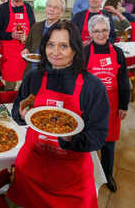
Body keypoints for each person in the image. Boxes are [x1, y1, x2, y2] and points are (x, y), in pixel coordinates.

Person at [7, 20, 110, 207]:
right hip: (32, 172)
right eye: (50, 45)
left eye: (64, 46)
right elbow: (16, 109)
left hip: (71, 182)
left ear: (76, 50)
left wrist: (71, 138)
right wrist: (20, 114)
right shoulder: (33, 77)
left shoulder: (93, 86)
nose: (55, 53)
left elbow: (99, 136)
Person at [84, 15, 130, 192]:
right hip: (90, 106)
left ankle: (107, 174)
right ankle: (86, 174)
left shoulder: (117, 52)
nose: (101, 34)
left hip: (112, 106)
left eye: (104, 30)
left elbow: (123, 80)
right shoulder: (85, 52)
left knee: (109, 143)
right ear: (91, 33)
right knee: (87, 142)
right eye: (96, 31)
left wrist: (124, 105)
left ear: (109, 31)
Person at [0, 0, 36, 90]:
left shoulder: (28, 8)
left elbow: (34, 28)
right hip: (9, 55)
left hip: (25, 52)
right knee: (10, 85)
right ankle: (9, 103)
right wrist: (11, 35)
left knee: (26, 82)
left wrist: (29, 37)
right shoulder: (1, 9)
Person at [21, 0, 65, 77]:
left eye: (56, 7)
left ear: (61, 12)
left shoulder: (64, 31)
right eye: (49, 6)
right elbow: (28, 45)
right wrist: (26, 50)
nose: (51, 10)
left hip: (51, 72)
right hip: (32, 70)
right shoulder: (36, 26)